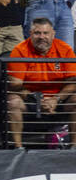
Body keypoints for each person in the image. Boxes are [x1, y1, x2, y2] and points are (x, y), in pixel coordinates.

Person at [6, 17, 76, 148]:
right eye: (37, 33)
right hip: (30, 99)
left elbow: (73, 82)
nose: (41, 37)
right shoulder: (20, 50)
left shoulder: (65, 49)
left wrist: (56, 99)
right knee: (12, 101)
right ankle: (17, 148)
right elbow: (15, 85)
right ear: (30, 34)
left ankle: (74, 147)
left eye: (46, 33)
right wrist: (37, 99)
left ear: (53, 34)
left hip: (60, 99)